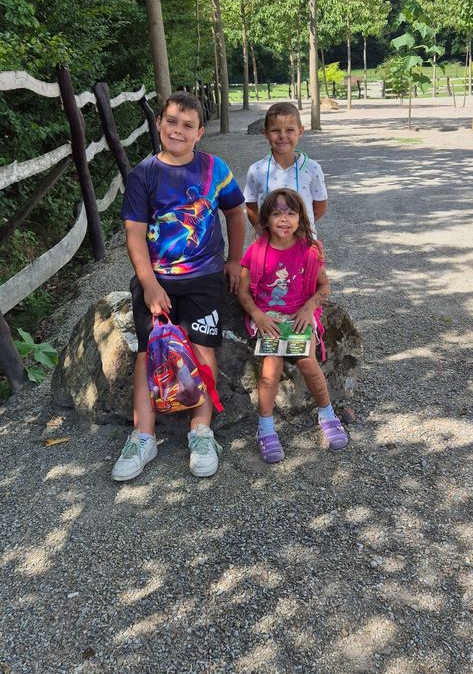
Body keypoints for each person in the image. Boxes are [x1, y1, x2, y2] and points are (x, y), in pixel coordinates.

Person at [112, 92, 245, 482]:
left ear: (199, 132)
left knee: (203, 349)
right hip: (158, 281)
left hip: (204, 279)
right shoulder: (143, 175)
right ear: (158, 123)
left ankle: (201, 431)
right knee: (148, 353)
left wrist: (234, 260)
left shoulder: (215, 169)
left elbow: (235, 212)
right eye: (171, 121)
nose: (178, 130)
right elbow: (134, 234)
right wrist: (149, 284)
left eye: (188, 125)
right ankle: (143, 436)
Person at [238, 188, 348, 463]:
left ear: (301, 218)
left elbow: (324, 286)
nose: (284, 219)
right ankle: (265, 428)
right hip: (270, 320)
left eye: (291, 213)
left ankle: (327, 414)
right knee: (270, 368)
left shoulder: (309, 250)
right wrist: (258, 316)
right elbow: (243, 292)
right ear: (265, 219)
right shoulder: (256, 252)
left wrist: (309, 307)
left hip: (300, 315)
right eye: (277, 213)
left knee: (307, 361)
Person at [244, 102, 327, 236]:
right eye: (275, 130)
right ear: (266, 133)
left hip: (303, 241)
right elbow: (251, 206)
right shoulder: (256, 170)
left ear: (300, 131)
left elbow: (319, 207)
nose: (282, 136)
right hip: (270, 243)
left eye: (289, 130)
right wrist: (264, 231)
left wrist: (296, 227)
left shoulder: (312, 168)